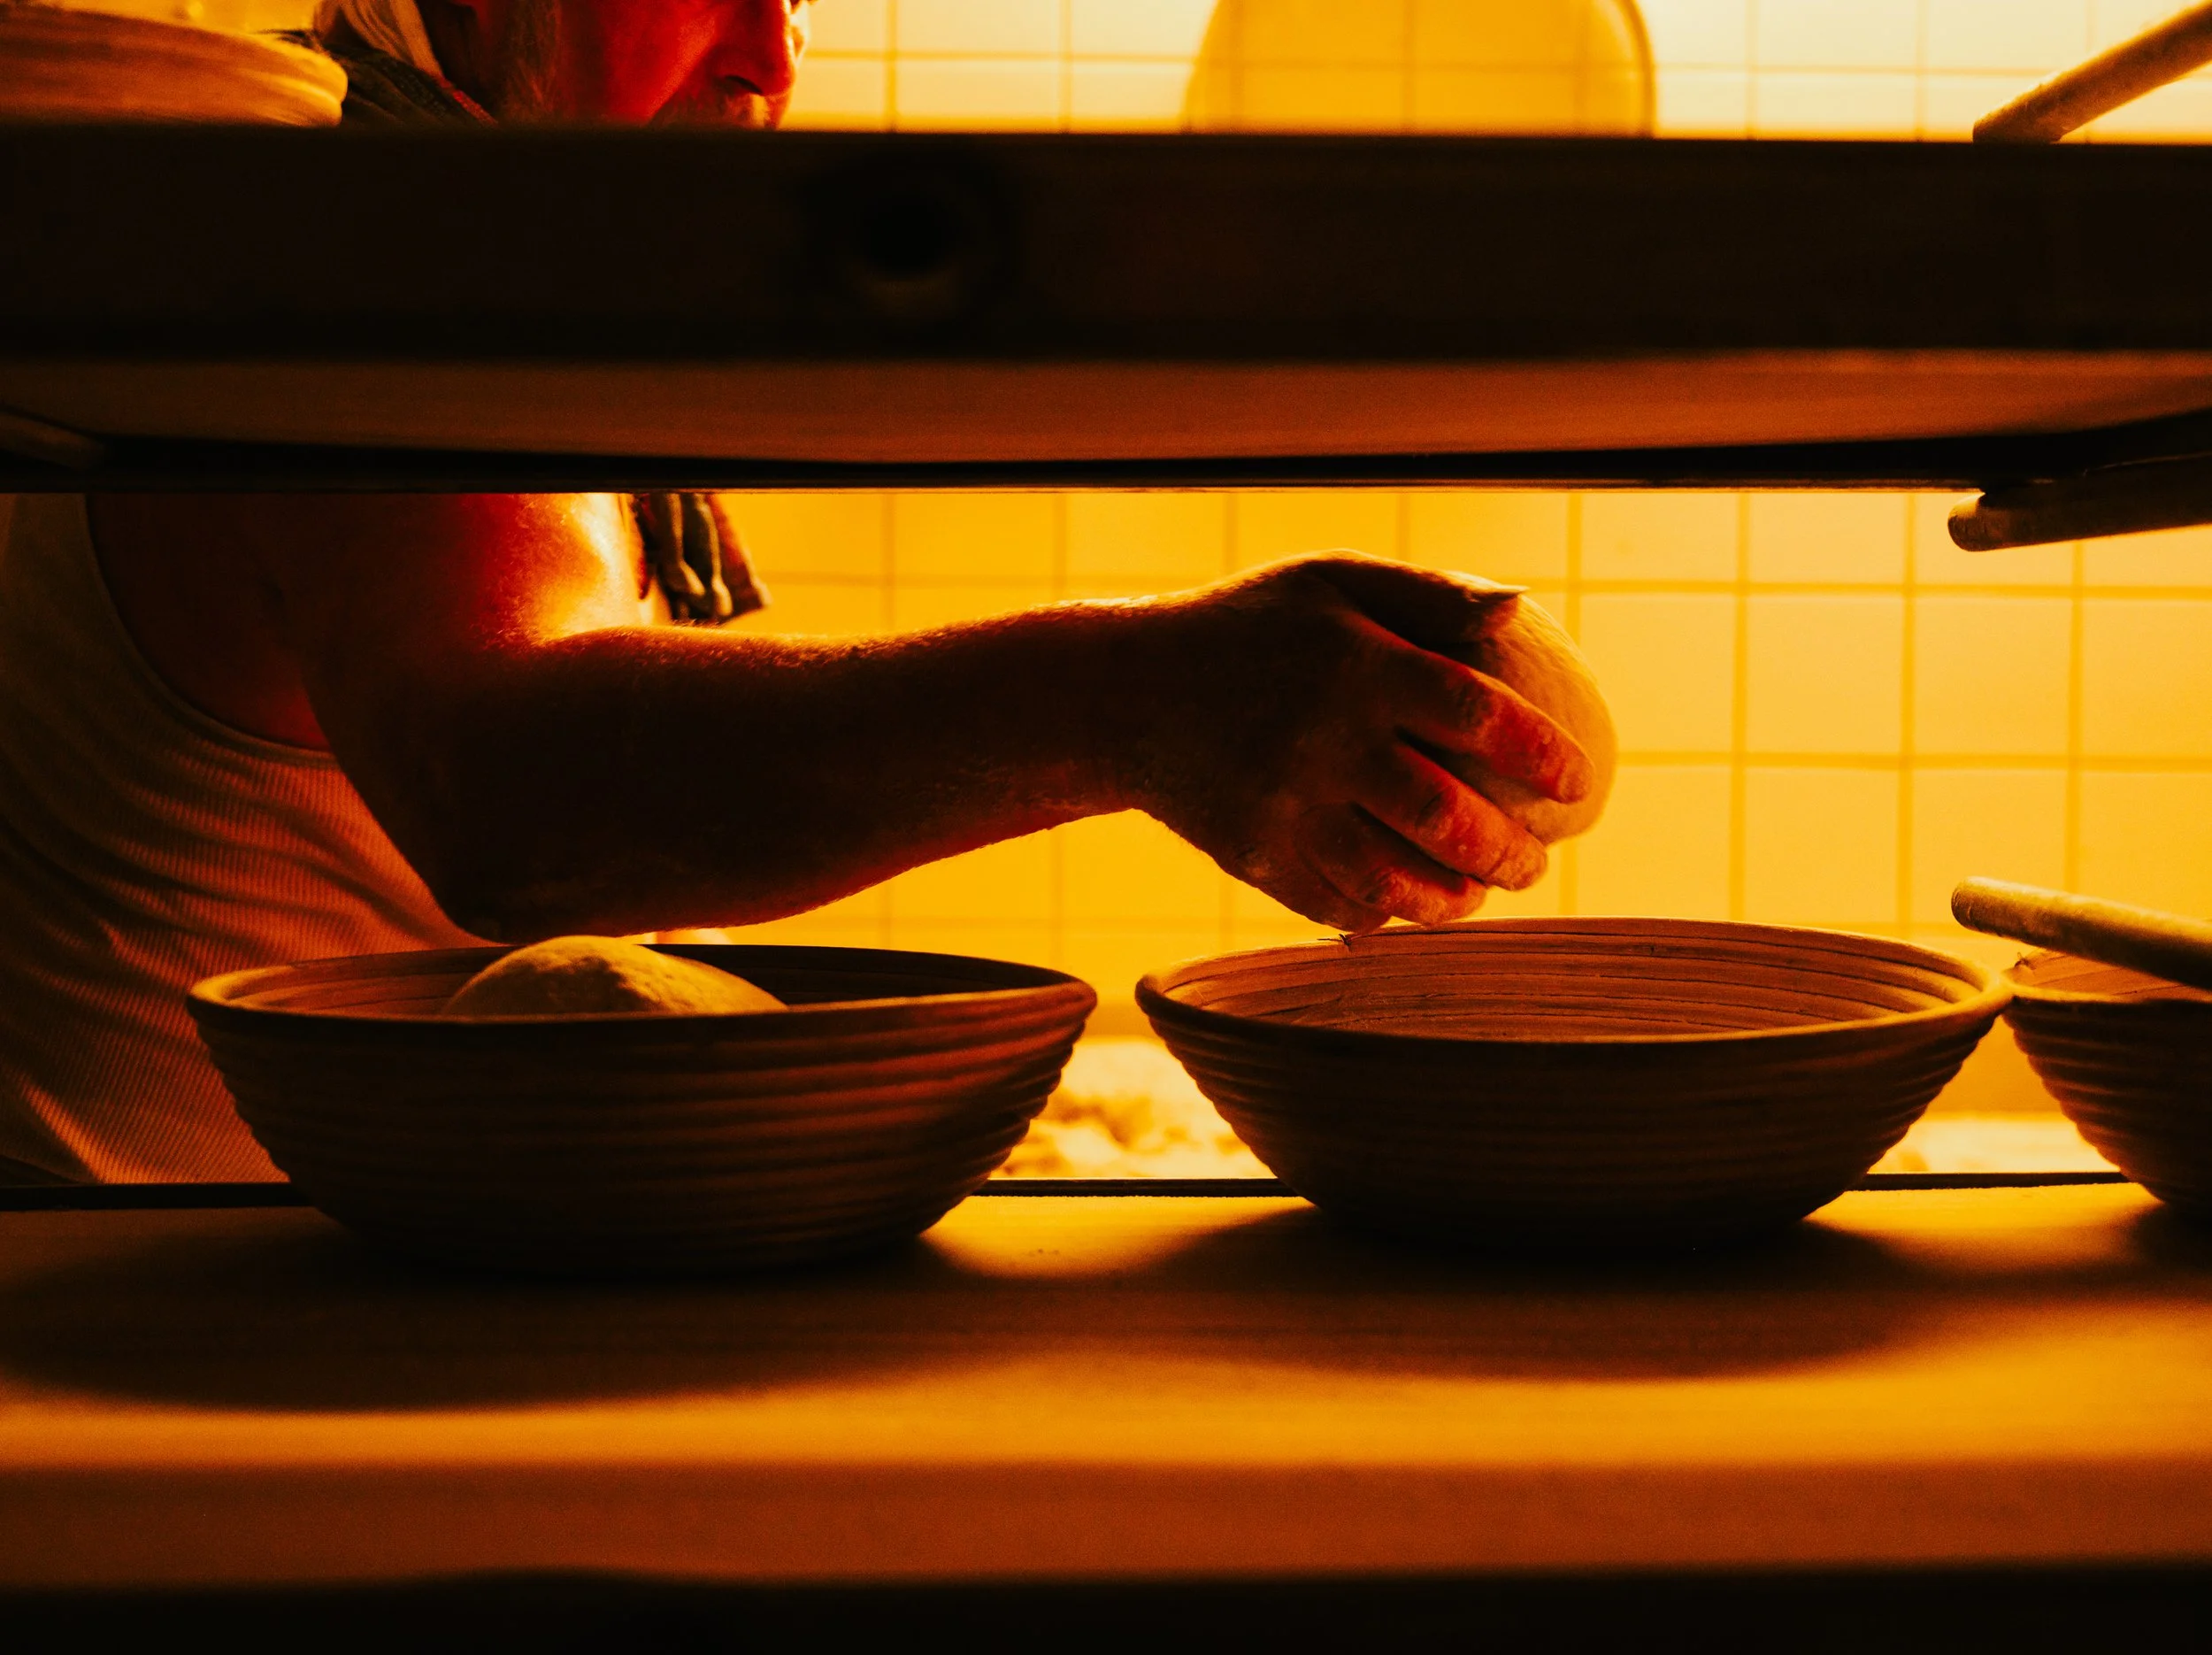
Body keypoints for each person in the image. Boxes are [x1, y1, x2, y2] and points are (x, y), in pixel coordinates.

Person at [0, 0, 1593, 1183]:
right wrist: (1147, 701)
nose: (772, 50)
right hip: (180, 1365)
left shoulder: (405, 230)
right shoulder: (361, 246)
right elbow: (516, 794)